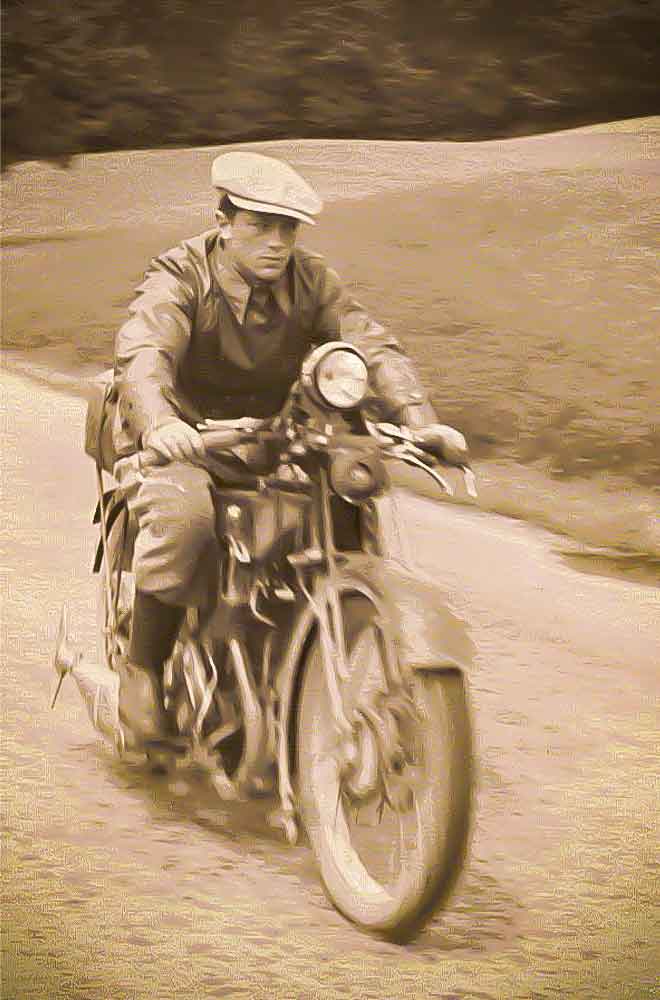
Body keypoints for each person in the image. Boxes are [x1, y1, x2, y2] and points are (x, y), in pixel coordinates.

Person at [111, 150, 468, 747]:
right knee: (187, 520)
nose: (277, 242)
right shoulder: (180, 275)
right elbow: (145, 352)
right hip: (190, 439)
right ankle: (143, 667)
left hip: (273, 438)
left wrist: (418, 419)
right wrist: (159, 423)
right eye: (260, 224)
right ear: (223, 221)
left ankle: (307, 670)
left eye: (288, 227)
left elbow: (368, 342)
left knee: (341, 500)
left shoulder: (312, 280)